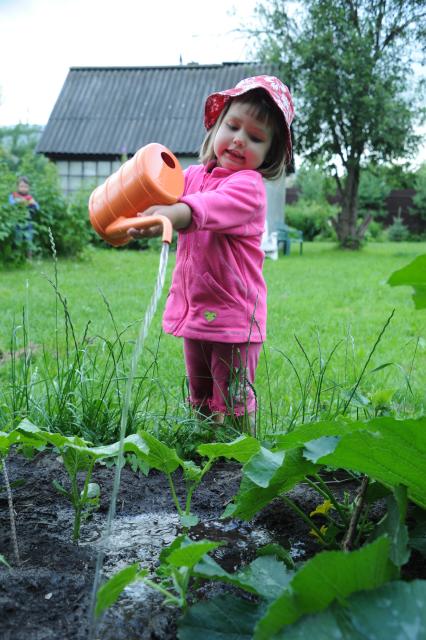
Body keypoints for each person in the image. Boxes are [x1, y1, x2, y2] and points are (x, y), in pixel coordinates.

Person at [128, 75, 295, 435]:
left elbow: (203, 209)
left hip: (236, 321)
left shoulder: (248, 190)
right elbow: (164, 194)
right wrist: (135, 204)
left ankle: (241, 462)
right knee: (201, 397)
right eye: (232, 126)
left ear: (269, 154)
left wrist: (170, 215)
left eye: (255, 137)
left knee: (234, 404)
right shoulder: (192, 176)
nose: (239, 139)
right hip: (197, 312)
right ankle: (202, 453)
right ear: (217, 126)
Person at [9, 176, 39, 258]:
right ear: (17, 187)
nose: (23, 188)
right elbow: (11, 203)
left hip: (28, 222)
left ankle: (29, 258)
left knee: (29, 240)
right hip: (17, 222)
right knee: (17, 239)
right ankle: (17, 257)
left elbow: (37, 207)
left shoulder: (30, 197)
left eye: (25, 186)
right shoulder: (14, 196)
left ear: (28, 188)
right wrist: (22, 201)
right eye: (21, 186)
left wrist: (31, 203)